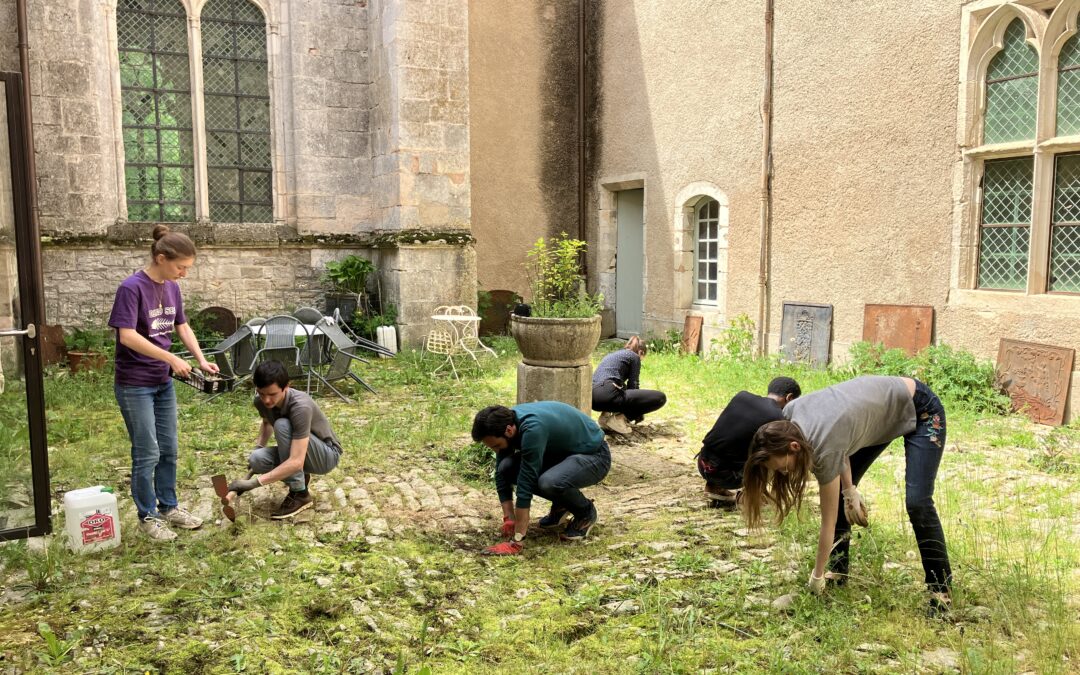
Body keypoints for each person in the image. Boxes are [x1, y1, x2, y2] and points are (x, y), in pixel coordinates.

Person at [742, 375, 952, 610]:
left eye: (783, 467)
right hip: (879, 414)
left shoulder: (821, 447)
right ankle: (838, 571)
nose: (784, 473)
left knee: (918, 502)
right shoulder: (789, 416)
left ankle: (940, 588)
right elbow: (840, 442)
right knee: (841, 494)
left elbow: (828, 522)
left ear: (794, 447)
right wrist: (850, 491)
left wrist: (816, 577)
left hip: (921, 408)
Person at [108, 224, 219, 542]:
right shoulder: (131, 288)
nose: (184, 273)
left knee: (169, 448)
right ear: (161, 258)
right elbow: (127, 336)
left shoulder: (171, 287)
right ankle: (147, 517)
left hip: (162, 382)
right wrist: (170, 358)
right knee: (147, 452)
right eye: (181, 267)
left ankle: (169, 507)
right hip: (135, 384)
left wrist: (200, 359)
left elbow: (181, 325)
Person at [471, 402, 612, 555]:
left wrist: (517, 540)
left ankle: (585, 512)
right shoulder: (505, 422)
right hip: (562, 454)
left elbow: (526, 483)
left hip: (595, 456)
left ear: (509, 431)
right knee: (506, 468)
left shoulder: (532, 429)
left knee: (550, 483)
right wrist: (509, 519)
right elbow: (501, 473)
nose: (496, 450)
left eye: (497, 446)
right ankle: (563, 504)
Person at [226, 361, 344, 519]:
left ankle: (300, 494)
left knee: (282, 425)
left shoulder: (300, 406)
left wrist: (252, 484)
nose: (266, 400)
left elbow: (296, 461)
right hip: (301, 451)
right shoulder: (260, 401)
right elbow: (267, 423)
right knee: (257, 459)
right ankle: (301, 477)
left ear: (286, 386)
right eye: (261, 393)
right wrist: (259, 447)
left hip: (326, 456)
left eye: (272, 394)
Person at [696, 376, 801, 507]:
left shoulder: (742, 396)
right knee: (776, 452)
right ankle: (750, 496)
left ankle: (713, 487)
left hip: (703, 464)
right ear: (789, 398)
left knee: (734, 441)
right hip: (728, 476)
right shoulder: (777, 419)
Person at [591, 336, 666, 435]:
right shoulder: (634, 356)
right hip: (607, 393)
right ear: (641, 352)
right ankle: (619, 419)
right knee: (660, 397)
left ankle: (605, 418)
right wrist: (636, 412)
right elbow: (633, 385)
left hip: (592, 398)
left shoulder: (612, 355)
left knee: (620, 388)